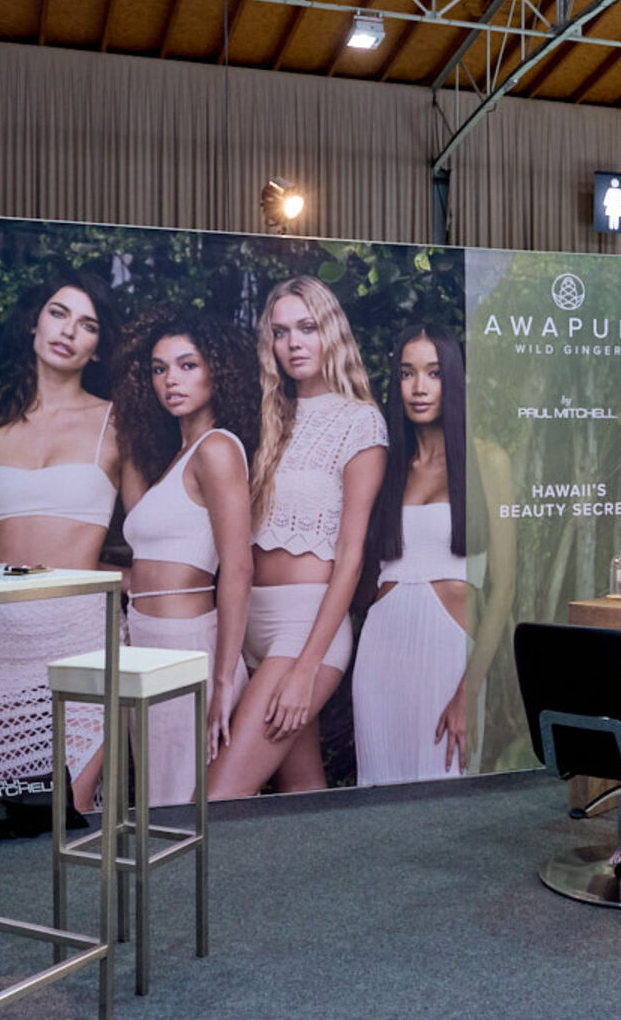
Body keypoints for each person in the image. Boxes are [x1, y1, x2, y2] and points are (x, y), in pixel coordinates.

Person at [0, 270, 122, 812]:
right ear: (34, 323)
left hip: (82, 638)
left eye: (88, 325)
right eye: (58, 313)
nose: (68, 331)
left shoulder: (118, 423)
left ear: (97, 347)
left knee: (69, 811)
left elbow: (154, 529)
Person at [208, 275, 386, 799]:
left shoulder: (360, 423)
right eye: (281, 332)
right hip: (249, 626)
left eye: (307, 328)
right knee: (302, 794)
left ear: (331, 332)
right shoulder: (268, 418)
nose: (294, 344)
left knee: (218, 799)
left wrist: (307, 668)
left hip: (305, 629)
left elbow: (350, 557)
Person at [116, 307, 259, 806]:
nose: (171, 380)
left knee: (180, 806)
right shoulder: (178, 456)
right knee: (158, 800)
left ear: (216, 371)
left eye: (187, 365)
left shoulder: (217, 449)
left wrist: (223, 681)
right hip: (147, 644)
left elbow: (238, 568)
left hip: (188, 648)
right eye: (159, 369)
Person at [352, 326, 479, 785]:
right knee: (379, 789)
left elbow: (506, 591)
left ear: (453, 380)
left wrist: (468, 692)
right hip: (381, 649)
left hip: (449, 651)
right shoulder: (387, 467)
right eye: (407, 373)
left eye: (433, 373)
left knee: (443, 792)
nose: (419, 387)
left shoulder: (484, 463)